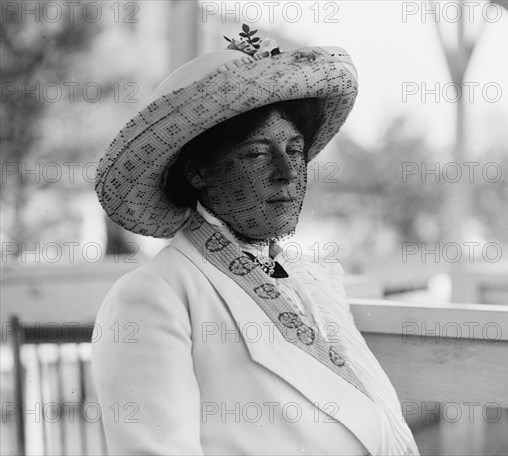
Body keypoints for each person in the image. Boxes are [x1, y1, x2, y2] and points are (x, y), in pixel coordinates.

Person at [92, 26, 419, 455]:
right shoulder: (155, 296)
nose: (286, 173)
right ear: (199, 171)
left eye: (295, 150)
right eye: (257, 154)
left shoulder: (311, 285)